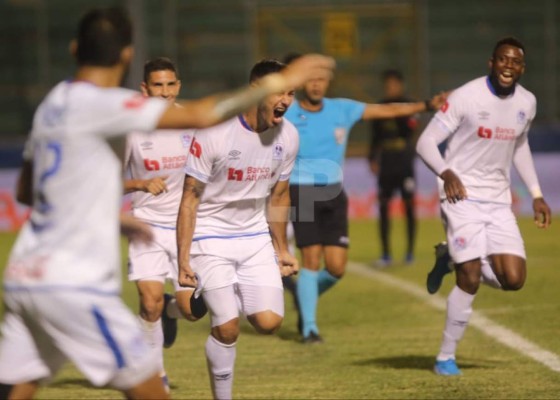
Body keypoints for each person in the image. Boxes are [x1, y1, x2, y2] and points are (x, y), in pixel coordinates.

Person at [0, 6, 334, 399]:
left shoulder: (53, 103)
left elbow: (27, 192)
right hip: (74, 282)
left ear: (74, 49)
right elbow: (204, 113)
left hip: (25, 275)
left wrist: (109, 216)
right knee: (151, 391)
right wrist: (276, 82)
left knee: (18, 388)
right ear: (126, 55)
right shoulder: (107, 104)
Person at [284, 53, 447, 343]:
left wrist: (424, 106)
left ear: (328, 82)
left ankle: (304, 295)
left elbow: (386, 111)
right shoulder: (288, 112)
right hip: (301, 191)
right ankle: (309, 327)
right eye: (311, 79)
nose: (317, 84)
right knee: (310, 258)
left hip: (334, 192)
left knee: (336, 268)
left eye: (322, 79)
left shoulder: (342, 109)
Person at [415, 37, 551, 376]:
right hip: (459, 193)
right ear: (491, 63)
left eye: (515, 61)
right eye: (502, 59)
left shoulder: (527, 103)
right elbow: (426, 141)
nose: (508, 66)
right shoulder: (466, 97)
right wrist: (446, 173)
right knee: (471, 277)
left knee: (513, 279)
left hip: (497, 199)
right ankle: (446, 356)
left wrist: (535, 193)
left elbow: (520, 145)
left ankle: (451, 257)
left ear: (522, 68)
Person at [176, 59, 301, 400]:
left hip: (254, 236)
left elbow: (279, 194)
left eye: (291, 93)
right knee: (228, 328)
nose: (286, 100)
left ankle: (198, 298)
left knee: (268, 322)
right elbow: (189, 199)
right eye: (278, 91)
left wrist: (282, 250)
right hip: (210, 235)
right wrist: (183, 259)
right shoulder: (215, 131)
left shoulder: (288, 136)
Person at [123, 57, 207, 392]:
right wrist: (139, 184)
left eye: (170, 85)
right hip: (146, 225)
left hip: (187, 227)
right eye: (157, 85)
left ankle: (172, 311)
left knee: (193, 311)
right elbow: (105, 179)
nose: (164, 92)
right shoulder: (130, 128)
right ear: (144, 89)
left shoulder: (193, 123)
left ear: (178, 86)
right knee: (148, 301)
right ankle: (156, 373)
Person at [368, 69, 419, 268]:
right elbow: (375, 137)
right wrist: (372, 158)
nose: (391, 88)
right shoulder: (379, 108)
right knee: (383, 208)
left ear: (400, 85)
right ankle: (386, 254)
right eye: (388, 85)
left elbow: (410, 130)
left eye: (394, 84)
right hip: (386, 163)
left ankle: (409, 253)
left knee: (409, 208)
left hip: (404, 162)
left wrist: (399, 111)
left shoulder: (409, 106)